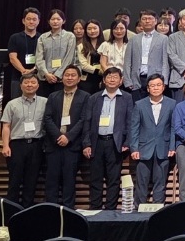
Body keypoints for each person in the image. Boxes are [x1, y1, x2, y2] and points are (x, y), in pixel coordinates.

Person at [83, 67, 134, 210]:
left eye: (115, 77)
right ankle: (95, 209)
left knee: (114, 179)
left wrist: (127, 142)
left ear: (121, 81)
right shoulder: (94, 98)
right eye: (109, 77)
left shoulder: (127, 98)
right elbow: (87, 122)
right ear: (104, 80)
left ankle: (110, 210)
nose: (112, 79)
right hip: (97, 142)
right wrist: (86, 144)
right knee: (96, 178)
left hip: (115, 143)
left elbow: (130, 122)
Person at [42, 66, 88, 208]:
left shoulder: (85, 97)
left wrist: (68, 136)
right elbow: (47, 118)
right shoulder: (53, 96)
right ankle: (51, 211)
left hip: (72, 146)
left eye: (73, 75)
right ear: (62, 78)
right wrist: (59, 136)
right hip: (54, 144)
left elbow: (84, 120)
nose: (69, 78)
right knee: (51, 182)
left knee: (69, 182)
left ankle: (68, 213)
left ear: (79, 79)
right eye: (67, 75)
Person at [128, 74, 176, 205]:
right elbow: (134, 128)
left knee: (160, 182)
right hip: (143, 149)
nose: (156, 88)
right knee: (141, 182)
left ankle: (158, 209)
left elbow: (173, 127)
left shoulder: (172, 104)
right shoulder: (139, 104)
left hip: (163, 148)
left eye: (158, 85)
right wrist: (134, 148)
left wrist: (172, 146)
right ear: (148, 88)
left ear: (163, 87)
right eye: (152, 86)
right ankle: (139, 209)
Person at [1, 72, 46, 207]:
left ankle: (27, 212)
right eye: (26, 83)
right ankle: (11, 211)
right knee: (14, 181)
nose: (29, 85)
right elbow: (6, 126)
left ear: (38, 85)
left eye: (33, 82)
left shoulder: (45, 102)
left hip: (37, 145)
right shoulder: (12, 104)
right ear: (20, 86)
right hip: (17, 145)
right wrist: (5, 145)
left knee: (31, 182)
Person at [123, 10, 170, 102]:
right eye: (144, 19)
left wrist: (164, 81)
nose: (147, 21)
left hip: (156, 78)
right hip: (137, 78)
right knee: (137, 105)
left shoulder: (164, 39)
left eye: (150, 19)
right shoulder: (133, 39)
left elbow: (165, 62)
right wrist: (127, 80)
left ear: (155, 21)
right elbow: (127, 61)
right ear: (140, 22)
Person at [35, 9, 76, 96]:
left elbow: (69, 58)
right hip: (44, 79)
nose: (55, 21)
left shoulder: (70, 36)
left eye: (58, 19)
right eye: (53, 19)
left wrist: (57, 75)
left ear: (63, 21)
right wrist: (46, 74)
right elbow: (39, 58)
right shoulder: (42, 37)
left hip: (62, 79)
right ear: (48, 21)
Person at [8, 8, 41, 99]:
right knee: (17, 104)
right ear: (23, 21)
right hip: (18, 77)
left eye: (34, 19)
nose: (31, 22)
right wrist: (23, 71)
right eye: (28, 19)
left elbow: (45, 58)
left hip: (38, 78)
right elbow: (12, 58)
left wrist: (33, 69)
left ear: (38, 21)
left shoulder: (43, 38)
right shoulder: (15, 37)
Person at [77, 20, 104, 94]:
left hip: (103, 78)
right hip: (87, 79)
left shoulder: (106, 44)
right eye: (89, 29)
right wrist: (98, 71)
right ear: (85, 31)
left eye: (95, 28)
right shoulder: (81, 46)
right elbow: (83, 65)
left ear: (99, 29)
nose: (92, 31)